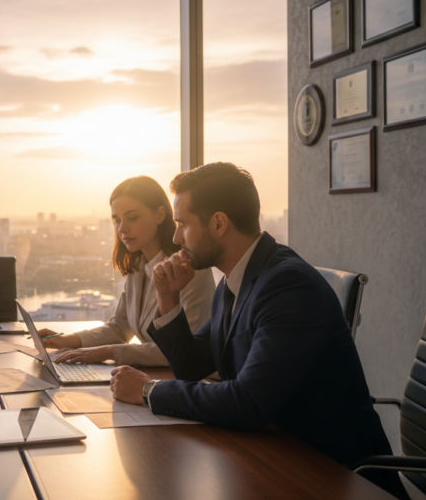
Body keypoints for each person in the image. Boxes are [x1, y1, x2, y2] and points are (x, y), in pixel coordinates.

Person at [108, 163, 404, 498]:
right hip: (278, 453)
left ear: (219, 223)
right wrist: (168, 297)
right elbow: (192, 367)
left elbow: (248, 403)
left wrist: (149, 391)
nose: (176, 239)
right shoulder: (235, 281)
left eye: (183, 225)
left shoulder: (288, 286)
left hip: (336, 475)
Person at [36, 176, 214, 366]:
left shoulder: (189, 271)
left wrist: (108, 352)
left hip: (190, 383)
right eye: (117, 220)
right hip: (155, 377)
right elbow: (120, 328)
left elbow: (185, 350)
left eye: (132, 217)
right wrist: (66, 340)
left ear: (160, 215)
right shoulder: (137, 268)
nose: (122, 229)